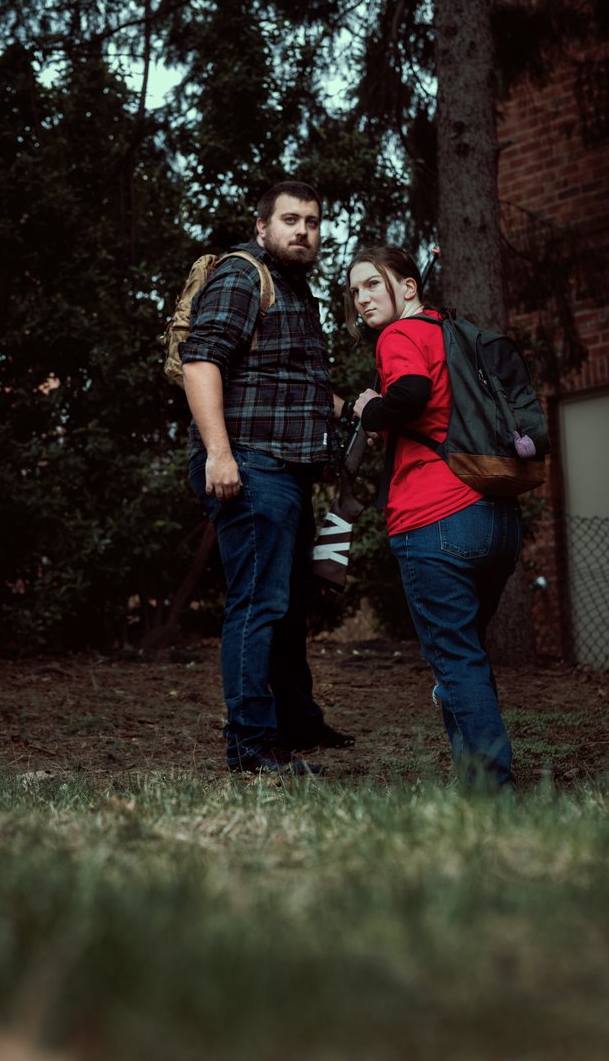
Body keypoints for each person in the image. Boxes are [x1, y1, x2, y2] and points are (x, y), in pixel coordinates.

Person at [181, 180, 355, 775]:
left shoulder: (295, 290)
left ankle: (296, 722)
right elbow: (201, 362)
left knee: (287, 603)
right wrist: (218, 454)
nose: (302, 230)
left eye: (312, 221)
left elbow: (292, 385)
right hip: (250, 463)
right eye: (290, 219)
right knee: (259, 603)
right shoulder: (242, 274)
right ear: (263, 226)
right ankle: (251, 746)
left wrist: (355, 408)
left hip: (287, 468)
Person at [347, 245, 519, 791]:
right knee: (466, 657)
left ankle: (492, 794)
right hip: (496, 517)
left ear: (409, 287)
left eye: (373, 284)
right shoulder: (453, 333)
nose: (362, 299)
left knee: (456, 661)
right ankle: (474, 783)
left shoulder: (399, 335)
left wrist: (368, 409)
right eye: (354, 291)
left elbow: (411, 393)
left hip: (435, 518)